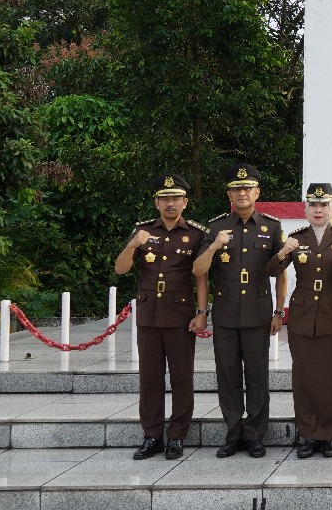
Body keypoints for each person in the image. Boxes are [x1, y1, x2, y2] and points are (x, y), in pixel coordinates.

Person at [193, 163, 294, 459]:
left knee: (257, 377)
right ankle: (233, 432)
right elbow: (198, 270)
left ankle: (255, 436)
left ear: (257, 192)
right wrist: (214, 246)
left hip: (258, 314)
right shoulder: (216, 227)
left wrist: (279, 312)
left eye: (247, 188)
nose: (242, 193)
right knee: (227, 376)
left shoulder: (271, 227)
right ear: (229, 194)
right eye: (236, 189)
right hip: (225, 314)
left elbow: (281, 273)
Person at [113, 174, 208, 460]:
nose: (170, 203)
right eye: (165, 198)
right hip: (149, 315)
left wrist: (202, 312)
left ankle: (177, 435)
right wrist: (132, 244)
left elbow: (201, 276)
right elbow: (120, 269)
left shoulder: (196, 233)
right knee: (150, 378)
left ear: (185, 202)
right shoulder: (142, 231)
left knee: (182, 378)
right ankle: (152, 435)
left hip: (180, 316)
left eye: (176, 198)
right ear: (156, 202)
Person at [280, 183, 332, 459]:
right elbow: (271, 269)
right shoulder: (295, 238)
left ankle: (331, 434)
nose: (318, 210)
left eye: (323, 204)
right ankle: (309, 433)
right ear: (305, 208)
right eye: (313, 205)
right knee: (304, 376)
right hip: (303, 314)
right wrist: (282, 251)